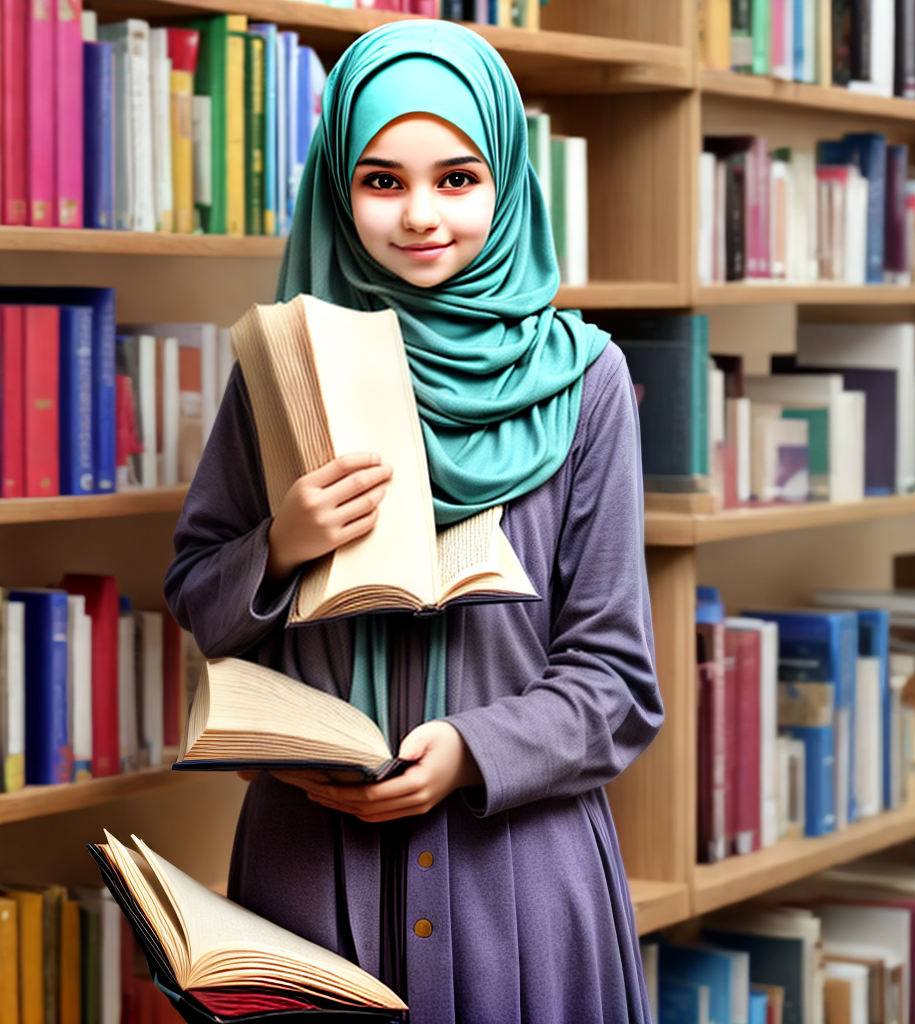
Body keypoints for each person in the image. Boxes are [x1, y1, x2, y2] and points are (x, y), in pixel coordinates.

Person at [164, 18, 662, 1023]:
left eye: (458, 178)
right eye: (381, 180)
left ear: (507, 183)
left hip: (516, 873)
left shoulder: (586, 379)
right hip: (311, 874)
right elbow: (197, 601)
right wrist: (283, 546)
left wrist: (472, 750)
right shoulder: (282, 370)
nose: (421, 216)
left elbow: (617, 678)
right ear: (337, 193)